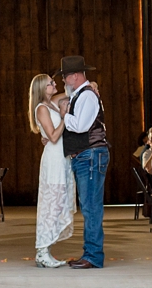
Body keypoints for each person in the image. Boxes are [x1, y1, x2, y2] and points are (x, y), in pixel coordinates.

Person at [58, 54, 110, 269]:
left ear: (75, 76)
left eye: (65, 77)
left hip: (90, 155)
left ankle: (93, 256)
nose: (63, 81)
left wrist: (64, 115)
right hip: (87, 155)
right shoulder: (83, 94)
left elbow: (80, 126)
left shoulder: (87, 96)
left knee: (91, 207)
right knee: (89, 206)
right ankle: (91, 253)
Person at [28, 73, 74, 268]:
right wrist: (64, 118)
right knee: (51, 204)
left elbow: (70, 93)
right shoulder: (41, 109)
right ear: (41, 88)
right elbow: (53, 137)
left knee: (59, 201)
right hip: (53, 158)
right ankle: (42, 250)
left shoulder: (52, 103)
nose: (54, 84)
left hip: (62, 157)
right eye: (50, 83)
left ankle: (47, 249)